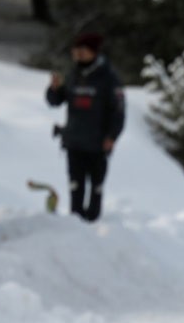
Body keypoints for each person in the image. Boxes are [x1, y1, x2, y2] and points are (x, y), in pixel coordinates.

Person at [45, 32, 126, 222]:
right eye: (76, 50)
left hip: (97, 144)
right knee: (75, 188)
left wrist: (111, 137)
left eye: (83, 50)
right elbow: (55, 101)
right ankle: (76, 227)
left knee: (96, 188)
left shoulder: (108, 78)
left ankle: (94, 228)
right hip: (74, 142)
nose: (78, 54)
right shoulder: (73, 75)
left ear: (94, 52)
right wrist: (54, 90)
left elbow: (119, 112)